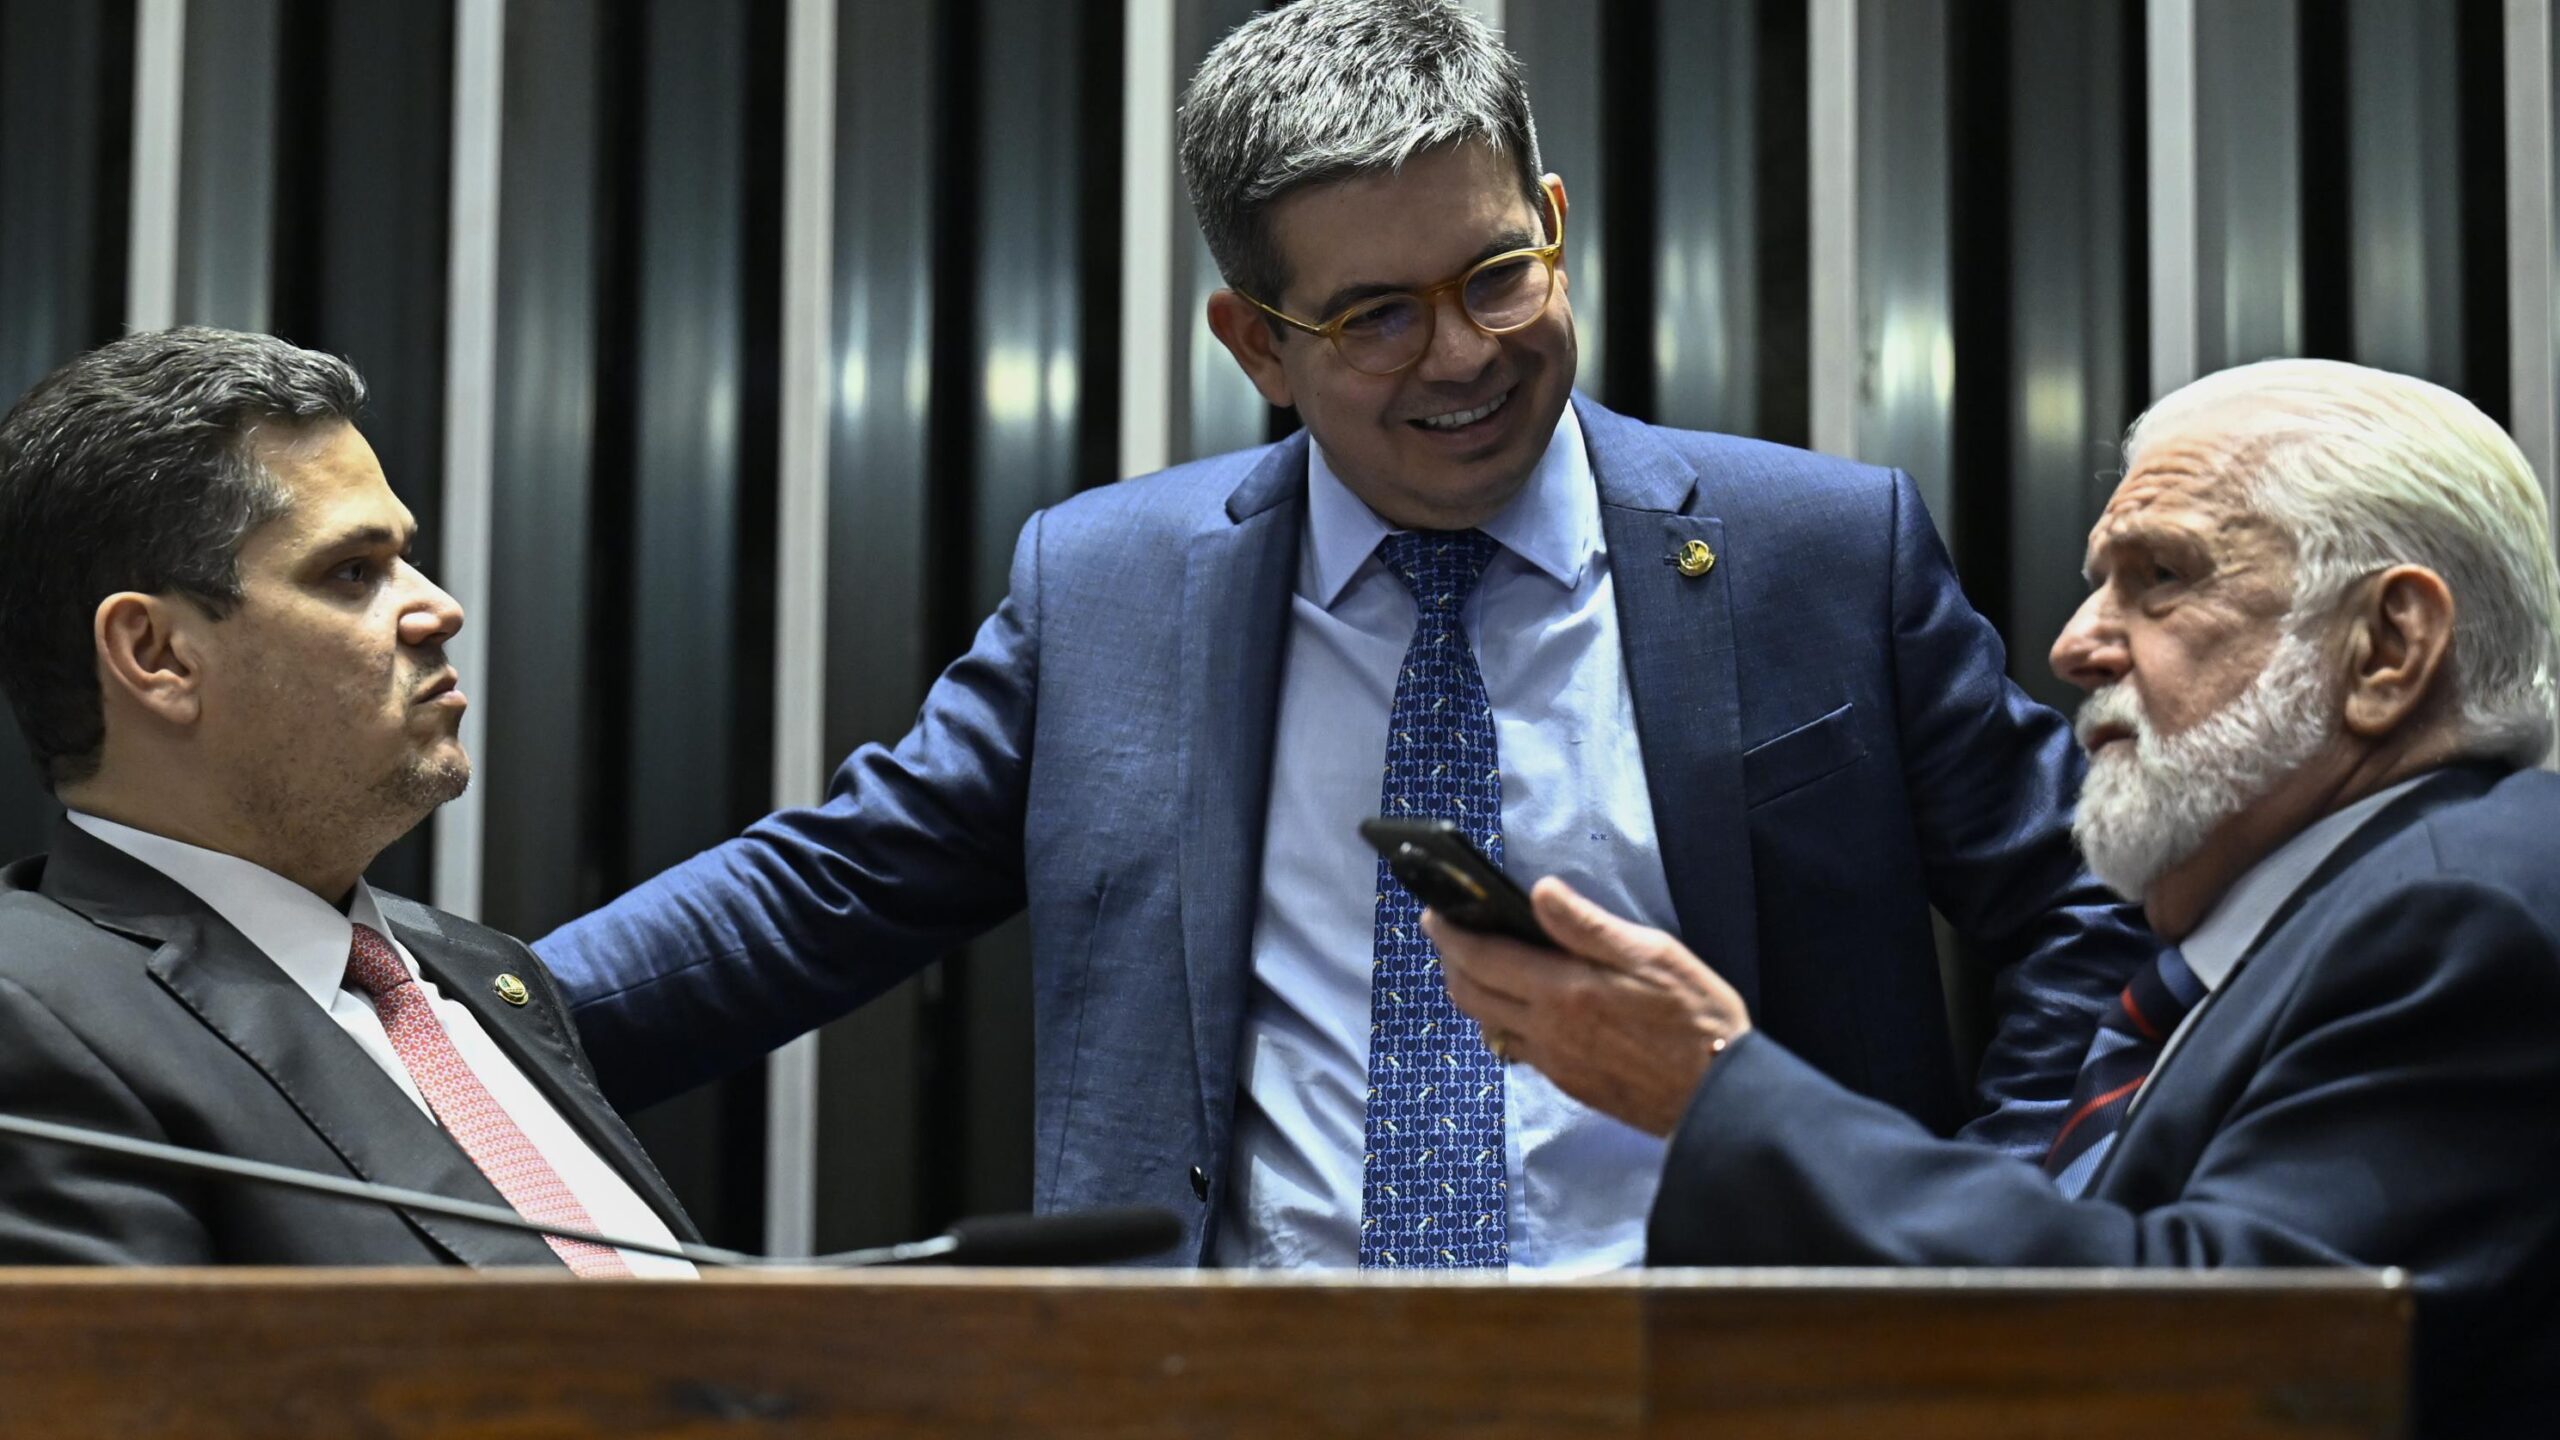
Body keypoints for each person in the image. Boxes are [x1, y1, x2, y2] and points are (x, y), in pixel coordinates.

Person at [537, 0, 2148, 1269]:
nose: (1463, 354)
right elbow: (827, 887)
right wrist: (427, 1024)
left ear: (1557, 227)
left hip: (1724, 1380)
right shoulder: (1109, 589)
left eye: (1497, 274)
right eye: (1375, 316)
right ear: (1255, 344)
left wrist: (1964, 1228)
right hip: (1252, 1389)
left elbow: (2088, 908)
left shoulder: (1817, 553)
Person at [1427, 358, 2560, 1432]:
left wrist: (1710, 1086)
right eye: (2096, 585)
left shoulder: (2467, 911)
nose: (2074, 645)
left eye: (2161, 577)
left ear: (2385, 648)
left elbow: (2217, 1355)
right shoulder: (2292, 938)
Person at [0, 328, 694, 1273]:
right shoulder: (32, 1008)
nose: (439, 607)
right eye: (352, 573)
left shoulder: (479, 970)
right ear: (158, 656)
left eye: (405, 559)